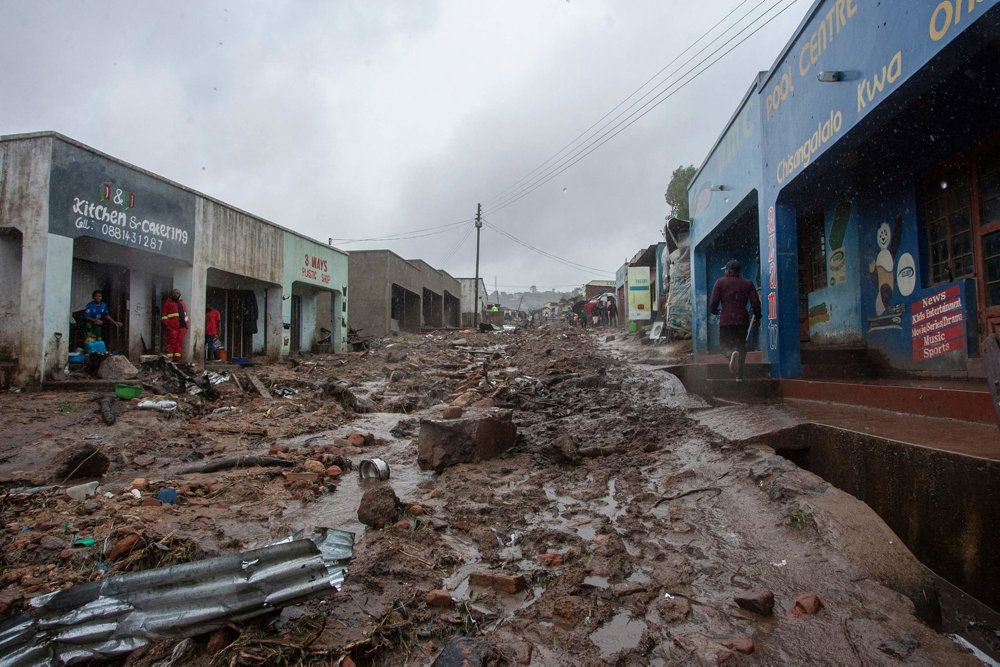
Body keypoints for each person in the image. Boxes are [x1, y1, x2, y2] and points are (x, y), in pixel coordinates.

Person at [709, 260, 761, 380]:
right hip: (742, 320)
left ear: (729, 271)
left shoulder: (720, 283)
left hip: (726, 319)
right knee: (741, 347)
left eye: (726, 269)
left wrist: (714, 310)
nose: (725, 271)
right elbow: (756, 303)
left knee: (724, 346)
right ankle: (739, 376)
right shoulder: (748, 283)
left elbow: (713, 303)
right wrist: (757, 317)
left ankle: (730, 354)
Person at [161, 288, 189, 362]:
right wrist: (167, 325)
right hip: (172, 328)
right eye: (174, 293)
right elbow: (164, 316)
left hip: (182, 327)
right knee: (171, 344)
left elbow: (185, 315)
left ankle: (177, 359)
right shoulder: (167, 304)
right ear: (171, 294)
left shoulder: (182, 304)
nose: (175, 294)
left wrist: (186, 325)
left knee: (179, 344)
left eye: (177, 293)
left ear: (180, 295)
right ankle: (169, 359)